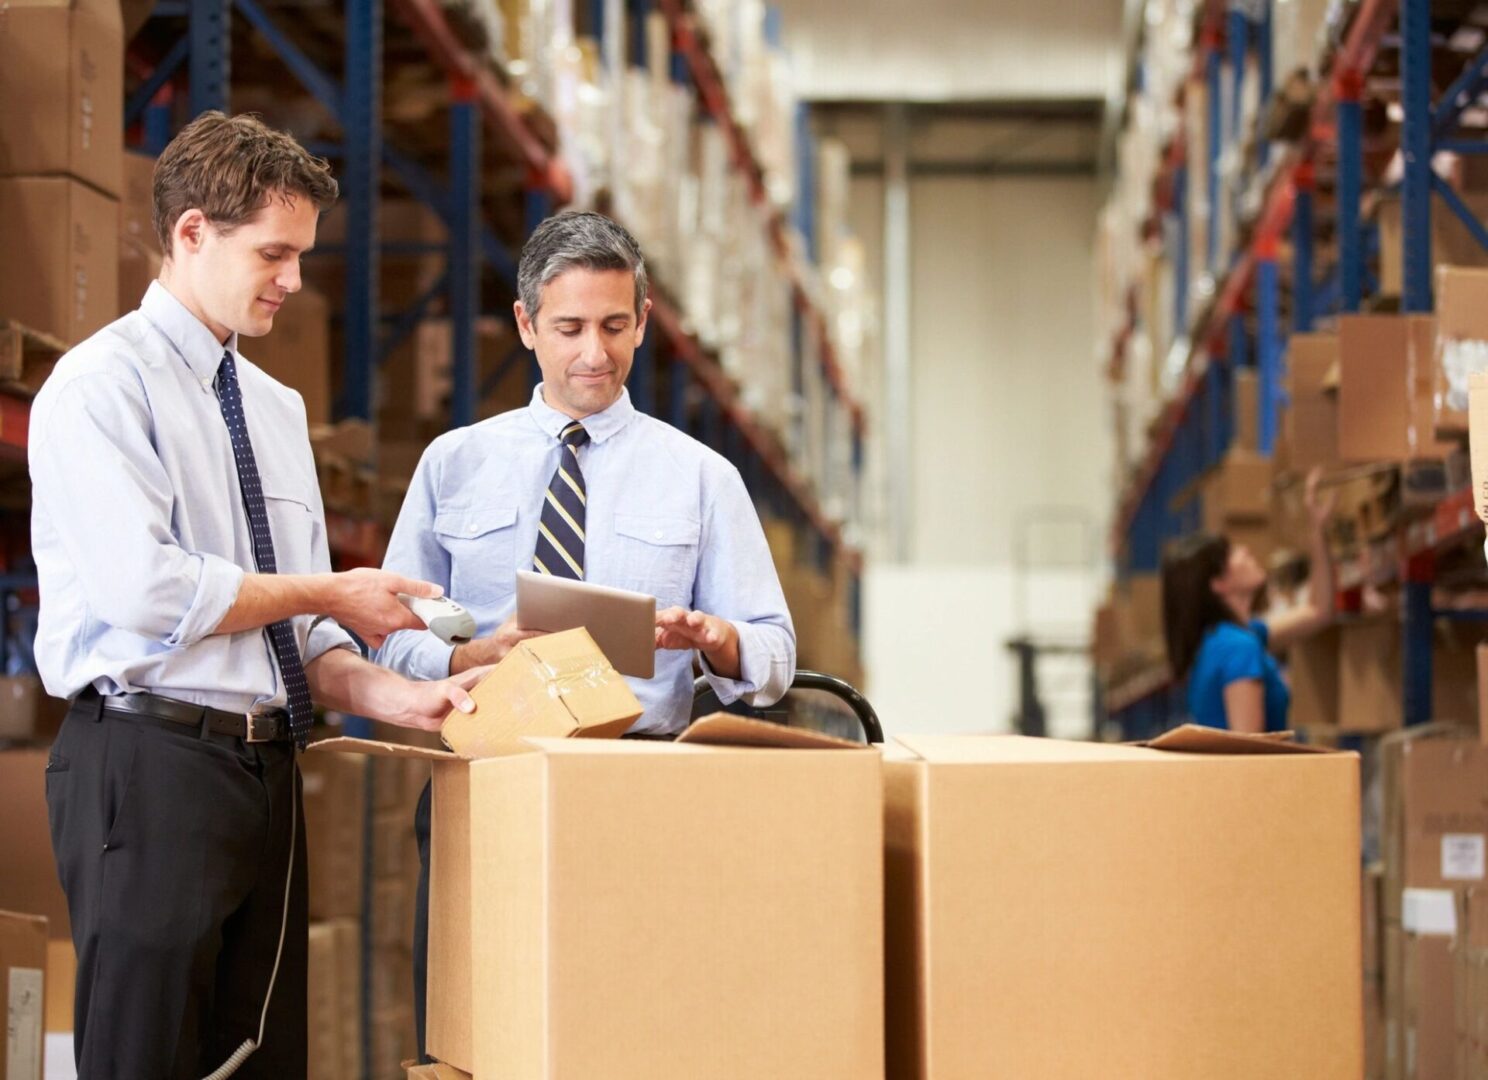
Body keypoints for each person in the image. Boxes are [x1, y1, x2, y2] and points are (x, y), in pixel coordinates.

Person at [29, 112, 487, 1080]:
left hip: (266, 774)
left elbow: (303, 628)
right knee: (146, 1057)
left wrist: (400, 698)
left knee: (258, 1059)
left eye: (302, 256)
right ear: (191, 233)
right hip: (148, 763)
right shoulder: (99, 389)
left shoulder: (277, 414)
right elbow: (147, 590)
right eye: (274, 254)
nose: (293, 280)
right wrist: (331, 588)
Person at [374, 210, 797, 1058]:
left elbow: (776, 653)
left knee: (633, 1033)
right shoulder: (454, 464)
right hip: (485, 780)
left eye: (614, 326)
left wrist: (717, 638)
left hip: (642, 787)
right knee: (477, 1029)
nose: (593, 353)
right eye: (568, 329)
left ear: (643, 319)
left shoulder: (701, 478)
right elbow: (394, 636)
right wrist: (465, 652)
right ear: (528, 325)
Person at [1160, 469, 1337, 733]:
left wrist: (1317, 529)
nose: (1245, 551)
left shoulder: (1232, 638)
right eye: (1232, 553)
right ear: (1218, 583)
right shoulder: (1238, 647)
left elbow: (1318, 610)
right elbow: (1249, 752)